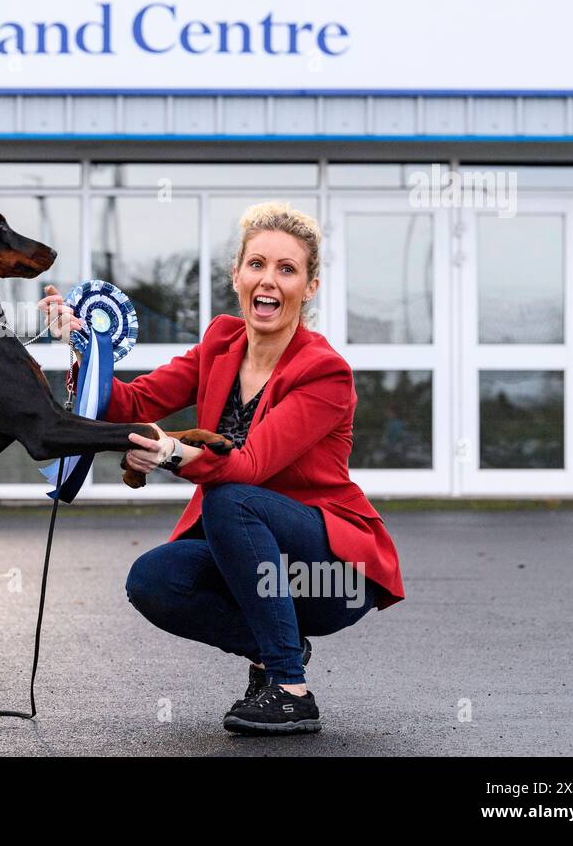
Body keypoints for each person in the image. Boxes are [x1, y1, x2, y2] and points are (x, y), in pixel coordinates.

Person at [37, 201, 404, 736]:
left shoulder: (325, 372)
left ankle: (289, 689)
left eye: (287, 269)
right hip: (252, 558)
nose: (269, 280)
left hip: (330, 570)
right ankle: (279, 647)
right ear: (237, 275)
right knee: (154, 579)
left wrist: (167, 453)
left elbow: (249, 466)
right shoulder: (220, 342)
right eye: (257, 264)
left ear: (311, 287)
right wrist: (82, 346)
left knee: (230, 497)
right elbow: (134, 403)